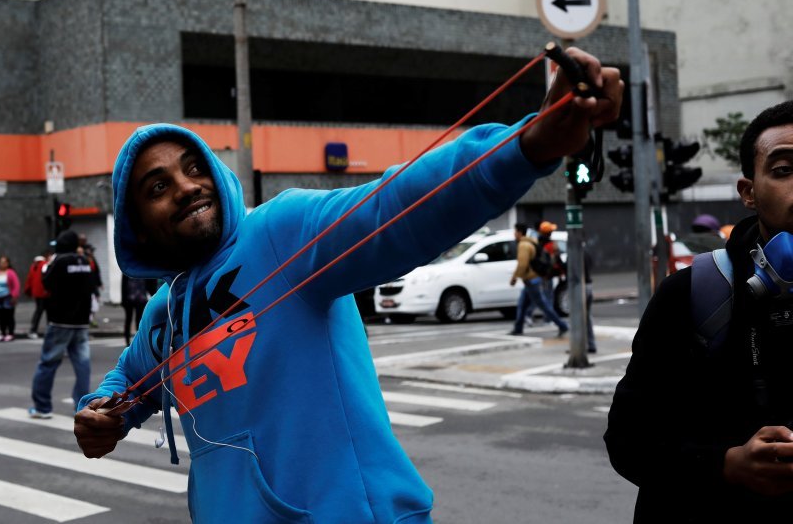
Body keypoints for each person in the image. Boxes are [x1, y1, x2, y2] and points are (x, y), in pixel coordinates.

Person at [72, 48, 621, 522]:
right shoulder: (164, 313)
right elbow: (134, 378)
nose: (188, 186)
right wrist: (102, 411)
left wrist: (528, 144)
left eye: (195, 167)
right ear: (137, 225)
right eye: (158, 186)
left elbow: (393, 206)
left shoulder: (278, 234)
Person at [605, 100, 793, 520]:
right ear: (749, 192)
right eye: (783, 170)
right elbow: (626, 440)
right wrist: (726, 465)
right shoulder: (693, 293)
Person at [29, 229, 97, 419]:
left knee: (48, 363)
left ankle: (42, 407)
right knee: (82, 365)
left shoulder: (59, 260)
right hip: (81, 322)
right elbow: (91, 287)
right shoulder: (84, 261)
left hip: (60, 320)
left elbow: (46, 282)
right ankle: (82, 405)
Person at [510, 223, 569, 336]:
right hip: (534, 278)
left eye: (515, 231)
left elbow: (522, 264)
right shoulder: (533, 241)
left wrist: (514, 278)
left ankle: (562, 325)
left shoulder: (524, 245)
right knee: (523, 304)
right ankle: (518, 327)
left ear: (519, 232)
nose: (514, 234)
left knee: (544, 305)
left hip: (532, 280)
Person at [24, 249, 52, 339]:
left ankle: (33, 329)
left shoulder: (34, 265)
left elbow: (29, 278)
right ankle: (48, 330)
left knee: (38, 311)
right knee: (48, 312)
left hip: (37, 292)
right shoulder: (45, 265)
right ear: (47, 256)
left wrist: (29, 290)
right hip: (45, 292)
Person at [0, 256, 20, 342]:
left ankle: (10, 333)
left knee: (9, 316)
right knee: (1, 316)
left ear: (8, 263)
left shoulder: (11, 273)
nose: (2, 264)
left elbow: (16, 285)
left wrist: (14, 296)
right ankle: (3, 333)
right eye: (1, 262)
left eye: (4, 262)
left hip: (7, 297)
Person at [120, 274, 151, 346]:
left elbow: (149, 282)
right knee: (129, 320)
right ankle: (128, 342)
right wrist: (123, 300)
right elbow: (123, 285)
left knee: (139, 321)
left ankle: (138, 341)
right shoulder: (128, 269)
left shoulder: (142, 268)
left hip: (140, 298)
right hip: (131, 299)